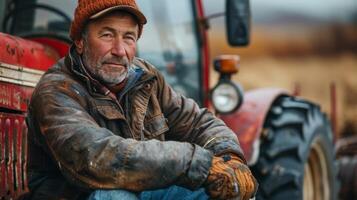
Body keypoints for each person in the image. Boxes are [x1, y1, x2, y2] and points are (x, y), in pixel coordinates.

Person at [26, 0, 258, 199]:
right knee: (114, 196)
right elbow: (99, 156)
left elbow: (197, 121)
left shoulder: (145, 78)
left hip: (142, 189)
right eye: (107, 35)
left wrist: (230, 158)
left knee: (232, 191)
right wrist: (200, 164)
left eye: (128, 37)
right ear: (80, 41)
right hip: (83, 194)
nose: (120, 50)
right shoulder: (57, 91)